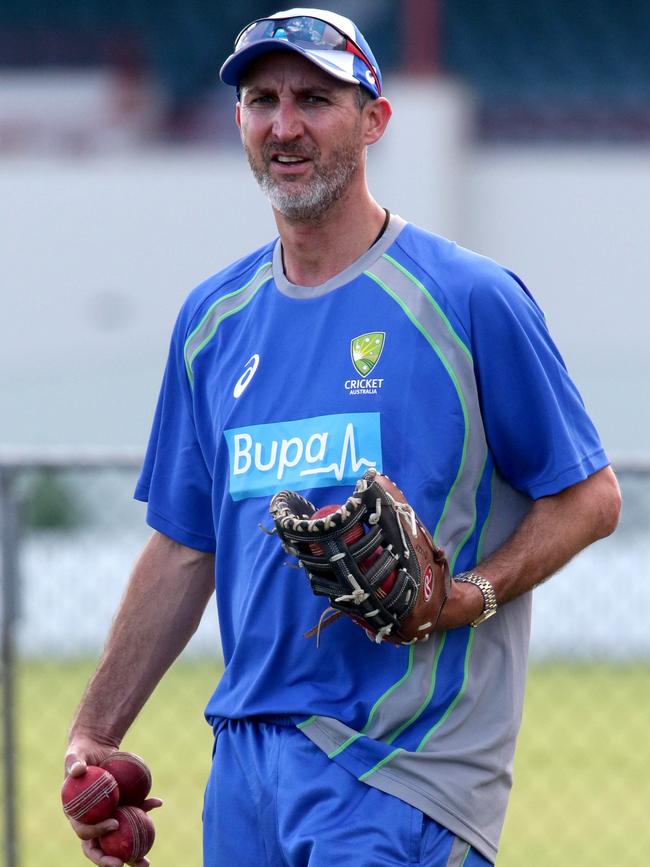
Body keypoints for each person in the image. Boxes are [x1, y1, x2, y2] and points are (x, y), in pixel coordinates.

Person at [64, 8, 621, 867]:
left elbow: (590, 496)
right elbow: (184, 547)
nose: (284, 125)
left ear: (374, 119)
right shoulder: (212, 321)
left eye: (315, 99)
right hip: (245, 767)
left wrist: (466, 593)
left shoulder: (468, 299)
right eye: (262, 99)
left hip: (405, 770)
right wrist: (95, 734)